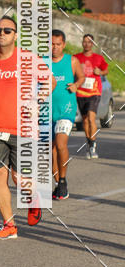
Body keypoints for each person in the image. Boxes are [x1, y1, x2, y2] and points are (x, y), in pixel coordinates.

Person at [0, 15, 55, 239]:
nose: (2, 34)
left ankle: (34, 198)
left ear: (15, 35)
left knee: (19, 178)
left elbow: (50, 81)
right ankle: (9, 225)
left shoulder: (27, 58)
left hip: (24, 129)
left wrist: (39, 100)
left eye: (7, 30)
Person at [51, 30, 84, 200]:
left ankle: (63, 180)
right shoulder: (42, 62)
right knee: (50, 150)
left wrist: (77, 84)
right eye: (51, 44)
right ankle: (58, 184)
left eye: (58, 44)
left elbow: (82, 76)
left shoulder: (72, 61)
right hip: (46, 111)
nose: (54, 47)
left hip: (66, 109)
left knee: (61, 144)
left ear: (63, 44)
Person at [75, 34, 109, 159]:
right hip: (80, 92)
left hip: (94, 92)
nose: (87, 44)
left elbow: (106, 70)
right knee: (85, 120)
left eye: (89, 42)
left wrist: (100, 72)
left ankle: (93, 147)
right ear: (82, 43)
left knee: (91, 118)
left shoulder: (98, 58)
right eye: (84, 42)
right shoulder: (76, 58)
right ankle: (89, 143)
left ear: (93, 44)